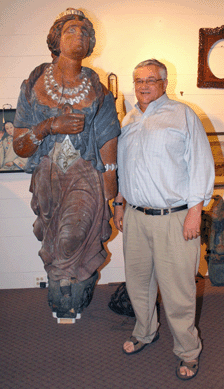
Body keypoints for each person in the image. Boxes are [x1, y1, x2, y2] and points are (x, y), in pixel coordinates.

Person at [13, 8, 120, 318]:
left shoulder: (98, 89)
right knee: (53, 237)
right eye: (72, 30)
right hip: (48, 179)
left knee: (73, 234)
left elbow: (108, 137)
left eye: (86, 33)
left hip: (85, 175)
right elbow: (20, 146)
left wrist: (110, 183)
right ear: (56, 39)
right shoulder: (33, 84)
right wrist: (49, 126)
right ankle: (68, 284)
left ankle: (67, 284)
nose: (80, 36)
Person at [113, 59, 214, 380]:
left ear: (164, 83)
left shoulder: (182, 115)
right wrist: (119, 202)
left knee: (178, 290)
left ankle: (188, 351)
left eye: (150, 80)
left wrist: (195, 211)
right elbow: (125, 167)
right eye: (138, 80)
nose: (143, 85)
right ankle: (145, 332)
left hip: (175, 217)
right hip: (136, 217)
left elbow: (201, 163)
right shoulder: (129, 119)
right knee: (138, 284)